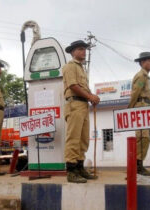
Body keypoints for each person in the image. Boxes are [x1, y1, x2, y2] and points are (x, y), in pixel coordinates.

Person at [63, 40, 100, 183]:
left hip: (83, 105)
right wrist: (90, 96)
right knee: (73, 138)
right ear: (73, 52)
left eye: (84, 49)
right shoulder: (70, 66)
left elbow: (84, 87)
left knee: (83, 139)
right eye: (80, 49)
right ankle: (71, 171)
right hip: (74, 104)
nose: (84, 51)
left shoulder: (81, 68)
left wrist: (92, 97)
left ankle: (79, 168)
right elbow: (73, 85)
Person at [128, 52, 150, 176]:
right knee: (142, 137)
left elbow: (149, 95)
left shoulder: (146, 77)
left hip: (146, 107)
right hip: (139, 107)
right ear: (142, 62)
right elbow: (136, 92)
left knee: (145, 138)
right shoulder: (141, 76)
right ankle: (137, 166)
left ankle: (139, 165)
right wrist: (130, 108)